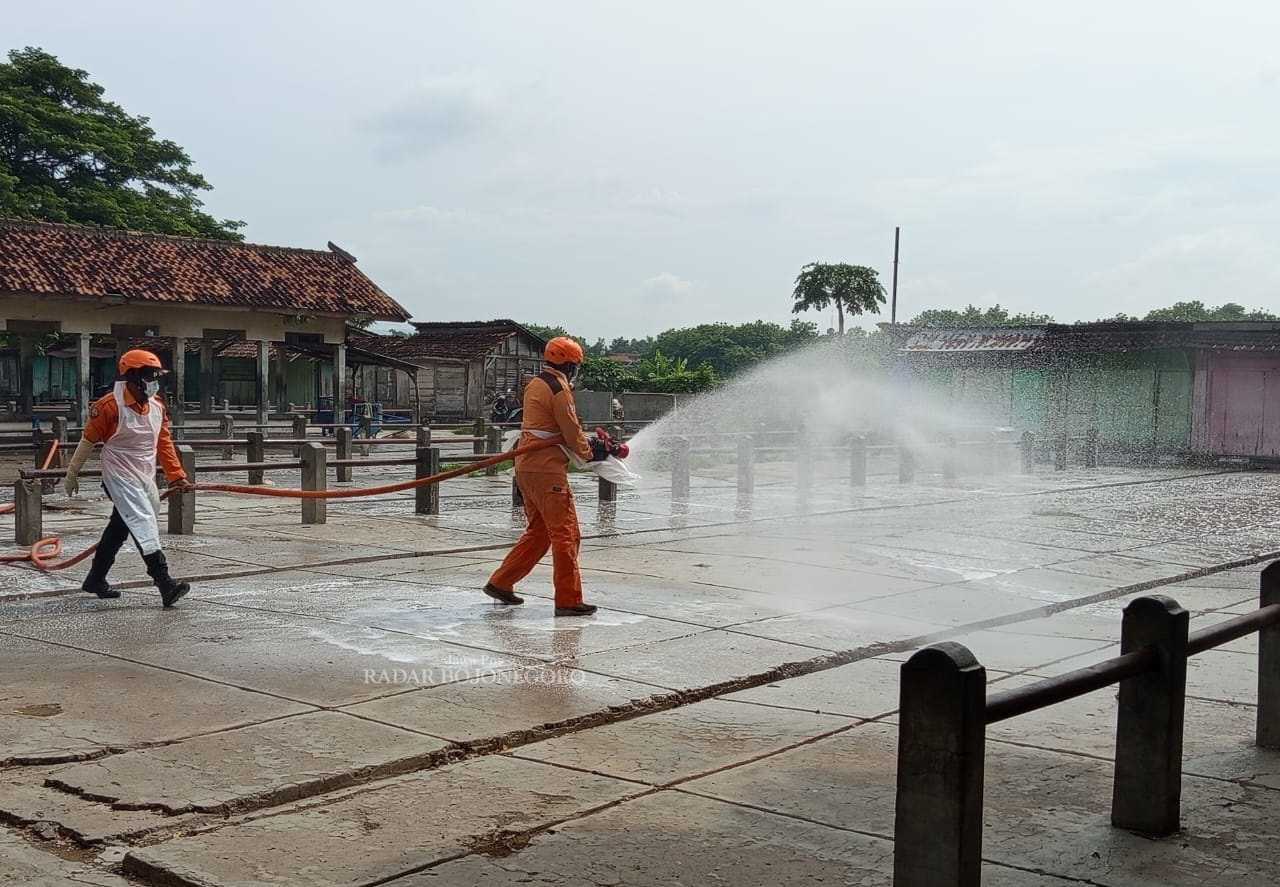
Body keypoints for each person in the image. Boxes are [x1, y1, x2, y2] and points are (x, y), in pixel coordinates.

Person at [63, 349, 195, 607]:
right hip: (118, 474)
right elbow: (87, 442)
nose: (154, 381)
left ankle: (95, 578)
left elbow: (163, 443)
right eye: (149, 375)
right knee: (142, 521)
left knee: (120, 526)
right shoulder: (108, 406)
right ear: (132, 376)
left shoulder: (156, 407)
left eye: (156, 376)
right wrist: (72, 474)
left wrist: (176, 476)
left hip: (144, 474)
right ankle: (165, 583)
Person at [483, 337, 603, 616]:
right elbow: (571, 430)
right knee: (566, 534)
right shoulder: (559, 389)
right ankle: (569, 599)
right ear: (571, 365)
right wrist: (589, 453)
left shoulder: (535, 383)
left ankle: (501, 582)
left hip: (527, 468)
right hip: (547, 470)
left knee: (539, 532)